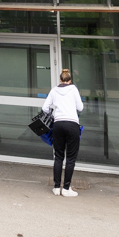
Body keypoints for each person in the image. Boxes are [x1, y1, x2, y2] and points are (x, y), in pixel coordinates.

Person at [43, 68, 83, 197]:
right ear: (70, 80)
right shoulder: (74, 89)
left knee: (58, 157)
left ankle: (56, 187)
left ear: (60, 80)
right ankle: (66, 188)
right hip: (72, 124)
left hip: (58, 124)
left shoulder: (54, 90)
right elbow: (80, 107)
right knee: (70, 158)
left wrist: (53, 113)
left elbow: (45, 108)